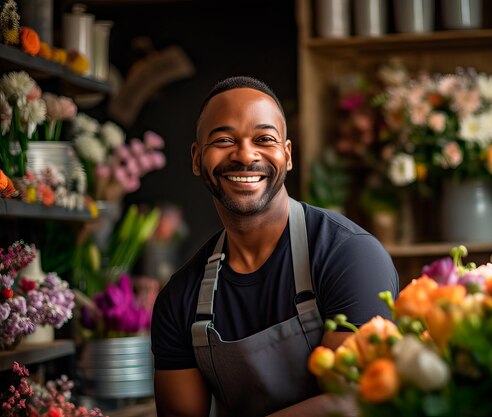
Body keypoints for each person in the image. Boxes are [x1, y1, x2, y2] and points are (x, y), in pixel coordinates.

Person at [151, 76, 399, 417]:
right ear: (197, 159)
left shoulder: (349, 256)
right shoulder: (180, 299)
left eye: (264, 139)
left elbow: (355, 400)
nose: (245, 155)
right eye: (223, 139)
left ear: (287, 154)